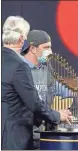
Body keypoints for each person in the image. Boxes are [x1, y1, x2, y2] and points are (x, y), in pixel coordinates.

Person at [20, 29, 78, 149]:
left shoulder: (45, 69)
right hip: (22, 133)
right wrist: (57, 115)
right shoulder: (20, 69)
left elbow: (58, 88)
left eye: (50, 47)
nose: (50, 52)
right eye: (46, 47)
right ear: (32, 49)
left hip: (41, 134)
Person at [2, 16, 72, 150]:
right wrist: (57, 115)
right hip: (15, 137)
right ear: (22, 39)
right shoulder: (20, 66)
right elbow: (33, 103)